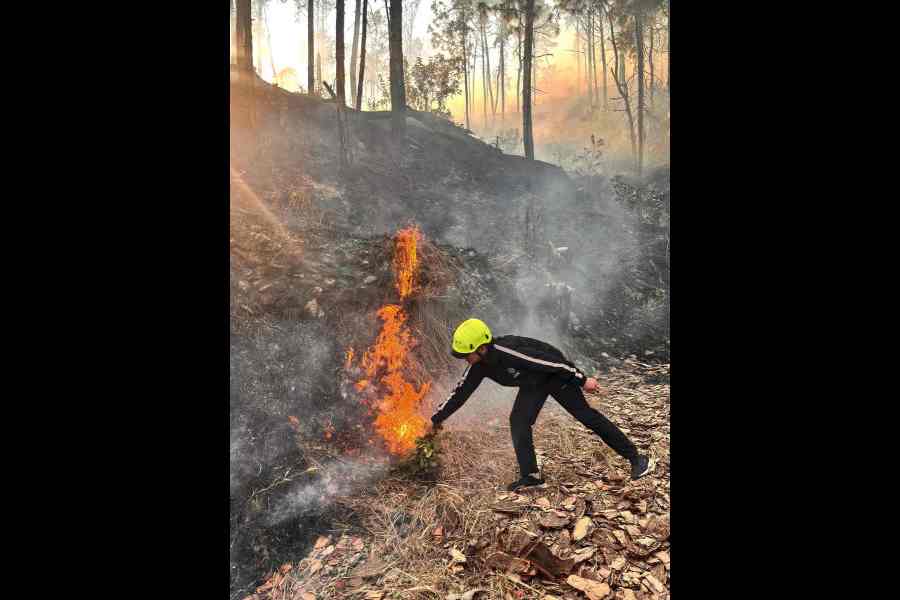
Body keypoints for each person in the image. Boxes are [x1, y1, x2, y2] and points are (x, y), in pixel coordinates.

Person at [429, 318, 652, 491]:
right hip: (533, 383)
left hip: (555, 375)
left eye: (466, 354)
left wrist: (583, 380)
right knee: (518, 421)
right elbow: (459, 394)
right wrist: (436, 420)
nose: (464, 359)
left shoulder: (509, 352)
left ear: (482, 348)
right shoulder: (479, 367)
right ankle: (531, 477)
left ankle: (637, 459)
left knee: (586, 416)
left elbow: (552, 363)